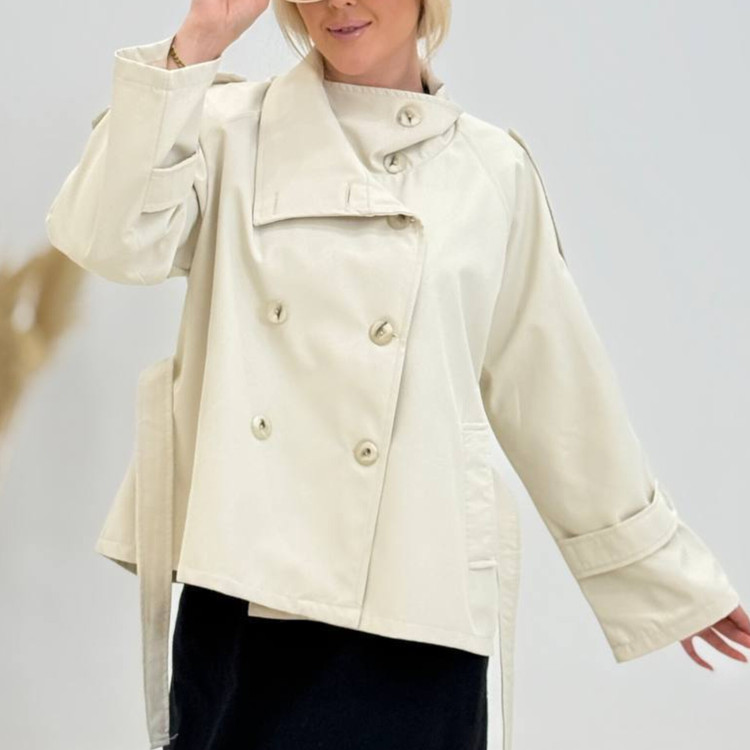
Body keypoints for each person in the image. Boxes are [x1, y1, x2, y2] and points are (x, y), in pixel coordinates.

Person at [45, 1, 749, 749]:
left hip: (417, 604)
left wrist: (665, 576)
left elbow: (553, 390)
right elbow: (106, 239)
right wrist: (199, 40)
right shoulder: (225, 128)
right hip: (248, 593)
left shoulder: (489, 170)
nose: (338, 3)